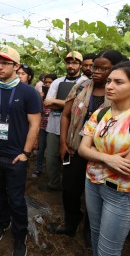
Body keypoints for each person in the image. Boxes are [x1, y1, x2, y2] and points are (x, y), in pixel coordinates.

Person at [51, 50, 127, 246]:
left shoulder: (121, 94)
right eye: (95, 67)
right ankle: (71, 222)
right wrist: (63, 143)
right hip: (75, 148)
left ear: (116, 70)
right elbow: (66, 115)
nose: (96, 71)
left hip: (103, 154)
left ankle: (90, 229)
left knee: (96, 195)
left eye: (103, 68)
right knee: (69, 189)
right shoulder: (81, 87)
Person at [78, 61, 130, 256]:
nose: (110, 86)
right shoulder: (100, 113)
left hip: (120, 192)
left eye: (118, 82)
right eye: (109, 81)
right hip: (92, 183)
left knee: (108, 250)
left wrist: (94, 153)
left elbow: (128, 167)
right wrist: (108, 158)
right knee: (94, 233)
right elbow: (81, 149)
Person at [0, 46, 41, 256]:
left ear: (16, 66)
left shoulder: (28, 92)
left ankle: (20, 234)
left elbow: (34, 124)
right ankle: (2, 222)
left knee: (16, 198)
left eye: (5, 63)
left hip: (16, 157)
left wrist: (26, 153)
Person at [41, 51, 87, 191]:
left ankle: (68, 185)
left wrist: (57, 102)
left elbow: (81, 106)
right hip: (53, 126)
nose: (71, 65)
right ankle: (54, 183)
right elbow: (48, 103)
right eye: (68, 62)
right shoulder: (57, 81)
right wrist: (68, 103)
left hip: (74, 128)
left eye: (74, 62)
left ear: (80, 65)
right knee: (51, 157)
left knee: (69, 159)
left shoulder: (85, 83)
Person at [32, 73, 57, 178]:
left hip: (54, 128)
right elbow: (38, 112)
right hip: (43, 126)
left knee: (53, 152)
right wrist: (39, 99)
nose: (47, 84)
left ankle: (53, 172)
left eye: (50, 82)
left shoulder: (57, 95)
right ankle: (38, 169)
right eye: (46, 82)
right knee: (41, 149)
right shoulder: (41, 95)